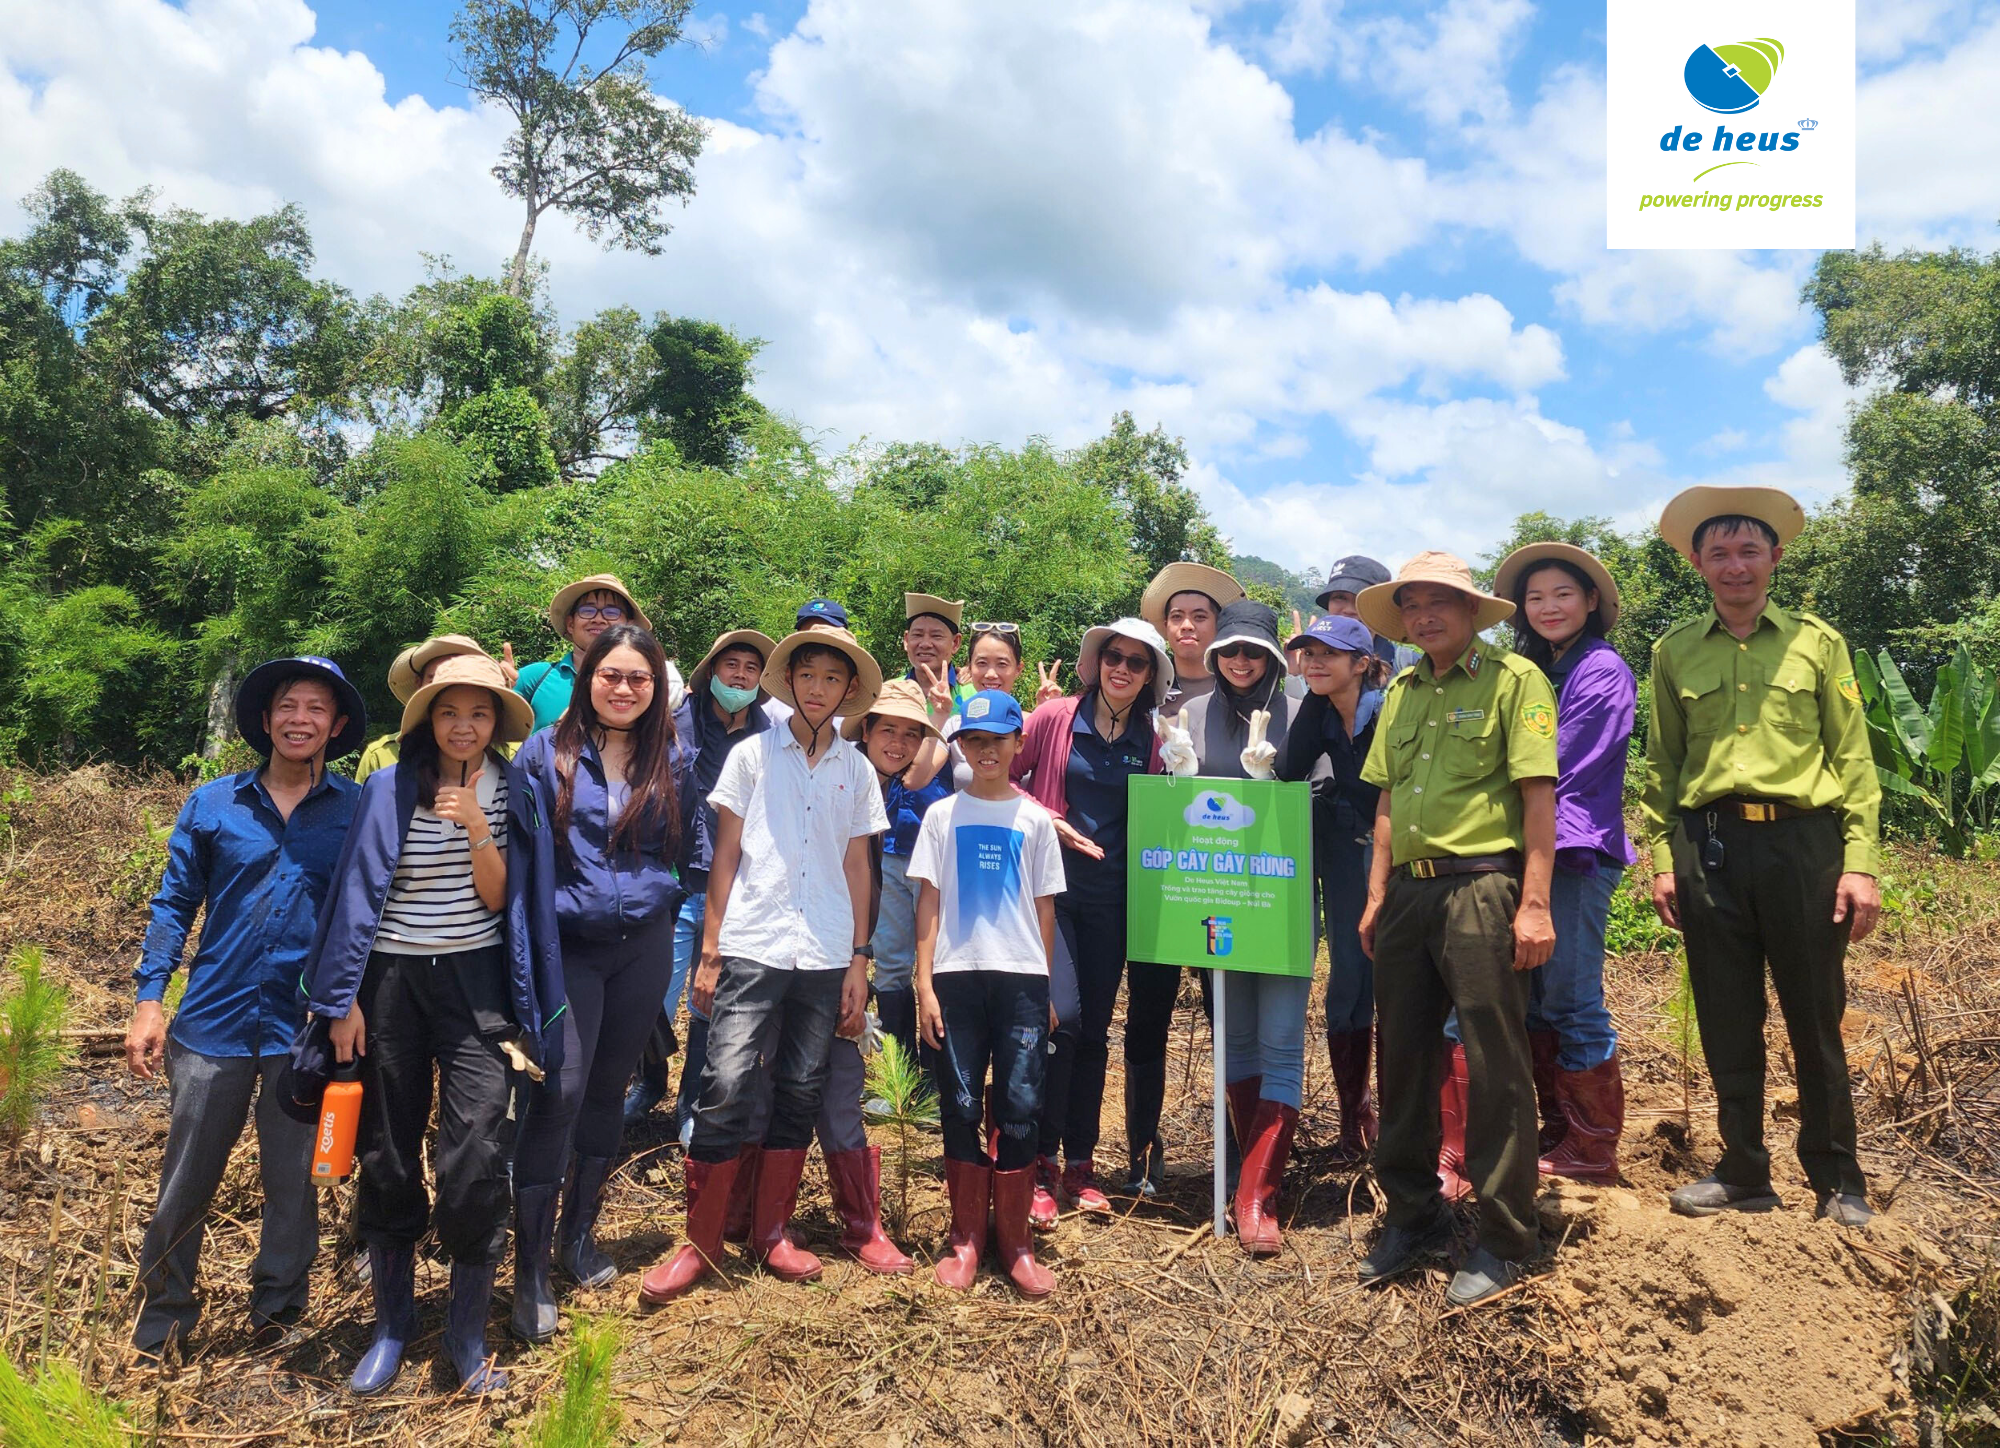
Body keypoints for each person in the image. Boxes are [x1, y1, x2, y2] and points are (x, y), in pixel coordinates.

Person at [302, 653, 559, 1395]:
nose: (464, 726)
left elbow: (500, 899)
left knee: (477, 1147)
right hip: (389, 981)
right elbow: (351, 898)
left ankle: (466, 1332)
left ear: (495, 724)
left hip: (475, 982)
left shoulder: (513, 787)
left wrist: (479, 824)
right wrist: (340, 1000)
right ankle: (391, 1327)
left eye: (479, 714)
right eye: (450, 712)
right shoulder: (385, 787)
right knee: (385, 1147)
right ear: (428, 717)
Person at [1642, 485, 1881, 1228]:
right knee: (1726, 1015)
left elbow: (1854, 756)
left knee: (1815, 1015)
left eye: (1749, 551)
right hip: (1709, 848)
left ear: (1774, 558)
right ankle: (1743, 1169)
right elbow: (1664, 767)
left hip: (1803, 847)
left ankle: (1838, 1177)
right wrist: (1660, 857)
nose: (1735, 565)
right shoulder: (1672, 651)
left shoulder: (1818, 642)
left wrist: (1860, 860)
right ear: (1697, 562)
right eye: (1720, 552)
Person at [638, 627, 889, 1302]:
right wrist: (711, 946)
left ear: (847, 692)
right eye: (806, 675)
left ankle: (771, 1231)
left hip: (827, 948)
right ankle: (701, 1242)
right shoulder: (751, 756)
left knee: (801, 1088)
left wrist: (860, 958)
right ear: (790, 682)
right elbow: (725, 856)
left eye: (831, 680)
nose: (817, 688)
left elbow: (859, 866)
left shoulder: (857, 769)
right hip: (753, 940)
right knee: (723, 1081)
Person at [126, 657, 365, 1360]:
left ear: (337, 726)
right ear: (265, 719)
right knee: (186, 1181)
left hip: (305, 1030)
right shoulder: (213, 804)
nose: (301, 720)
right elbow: (173, 905)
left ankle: (279, 1319)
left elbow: (367, 915)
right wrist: (148, 1000)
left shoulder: (354, 810)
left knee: (294, 1185)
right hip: (211, 1025)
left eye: (317, 709)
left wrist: (354, 1003)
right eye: (288, 706)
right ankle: (162, 1323)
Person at [1351, 552, 1558, 1310]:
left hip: (1483, 888)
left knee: (1495, 1063)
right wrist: (1376, 894)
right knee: (1401, 1056)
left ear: (1472, 610)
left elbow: (1540, 800)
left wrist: (1534, 905)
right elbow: (1385, 802)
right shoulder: (1400, 691)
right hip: (1408, 894)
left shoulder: (1514, 684)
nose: (1426, 615)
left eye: (1442, 601)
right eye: (1413, 605)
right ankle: (1411, 1212)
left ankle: (1507, 1236)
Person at [511, 623, 688, 1342]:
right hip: (568, 949)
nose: (623, 689)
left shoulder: (673, 754)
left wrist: (669, 898)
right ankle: (526, 1268)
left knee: (610, 1091)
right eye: (611, 676)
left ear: (656, 689)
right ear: (588, 679)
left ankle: (577, 1237)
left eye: (638, 679)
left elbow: (693, 842)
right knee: (558, 1091)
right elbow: (521, 859)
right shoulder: (544, 753)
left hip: (642, 948)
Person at [1011, 618, 1170, 1222]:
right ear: (1097, 661)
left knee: (1097, 1032)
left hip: (1116, 899)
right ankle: (1041, 1163)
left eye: (1136, 662)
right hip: (1053, 894)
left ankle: (1080, 1163)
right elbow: (997, 770)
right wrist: (1045, 817)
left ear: (1150, 675)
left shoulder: (1155, 737)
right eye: (1114, 657)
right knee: (1063, 1020)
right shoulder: (1056, 719)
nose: (1122, 668)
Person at [1489, 542, 1636, 1185]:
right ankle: (1560, 1129)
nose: (1548, 607)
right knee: (1537, 1002)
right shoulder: (1534, 667)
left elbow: (1559, 769)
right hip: (1532, 848)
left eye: (1563, 595)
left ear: (1592, 603)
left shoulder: (1601, 671)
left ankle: (1594, 1148)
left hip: (1573, 851)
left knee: (1574, 998)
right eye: (1535, 597)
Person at [914, 690, 1065, 1297]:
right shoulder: (941, 816)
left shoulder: (1033, 819)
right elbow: (928, 901)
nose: (985, 752)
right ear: (962, 749)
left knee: (1022, 1101)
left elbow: (1044, 907)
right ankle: (966, 1237)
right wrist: (923, 983)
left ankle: (1016, 1242)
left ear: (1018, 744)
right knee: (959, 1101)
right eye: (974, 742)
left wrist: (1045, 984)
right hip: (955, 976)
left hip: (1021, 979)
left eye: (997, 741)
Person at [1173, 600, 1310, 1254]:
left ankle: (1258, 1196)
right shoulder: (1190, 716)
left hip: (1280, 900)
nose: (1240, 662)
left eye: (1253, 652)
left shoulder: (1300, 709)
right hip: (1215, 900)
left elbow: (1320, 801)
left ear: (1273, 658)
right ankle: (1241, 1178)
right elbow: (1172, 817)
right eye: (1230, 651)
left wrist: (1271, 785)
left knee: (1281, 1038)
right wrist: (1174, 777)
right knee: (1237, 1036)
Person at [623, 629, 776, 1135]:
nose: (739, 675)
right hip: (674, 879)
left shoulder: (769, 737)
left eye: (751, 669)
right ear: (711, 672)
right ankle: (649, 1079)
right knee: (650, 1000)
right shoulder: (672, 723)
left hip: (735, 887)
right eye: (730, 664)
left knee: (710, 1002)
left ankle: (691, 1104)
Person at [1280, 615, 1386, 1165]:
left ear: (1362, 664)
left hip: (1403, 854)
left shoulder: (1388, 710)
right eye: (1307, 653)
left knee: (1400, 980)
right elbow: (1290, 772)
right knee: (1348, 971)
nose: (1314, 662)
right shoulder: (1319, 711)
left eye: (1329, 654)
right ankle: (1354, 1113)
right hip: (1349, 851)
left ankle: (1409, 1121)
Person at [850, 679, 952, 1070]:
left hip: (935, 859)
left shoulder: (962, 702)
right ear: (867, 730)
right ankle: (899, 1072)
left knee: (937, 963)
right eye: (888, 730)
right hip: (889, 859)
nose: (898, 741)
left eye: (911, 733)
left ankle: (932, 1075)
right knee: (891, 963)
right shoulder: (853, 774)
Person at [510, 574, 655, 732]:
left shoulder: (645, 685)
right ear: (570, 624)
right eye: (588, 610)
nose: (598, 619)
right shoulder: (535, 677)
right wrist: (496, 686)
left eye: (611, 612)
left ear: (629, 625)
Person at [354, 635, 488, 782]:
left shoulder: (507, 755)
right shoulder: (381, 756)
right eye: (435, 679)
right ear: (419, 685)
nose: (446, 688)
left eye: (459, 679)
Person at [1141, 561, 1245, 719]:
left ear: (1219, 625)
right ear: (1166, 626)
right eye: (1177, 617)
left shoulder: (1241, 690)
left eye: (1199, 617)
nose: (1187, 626)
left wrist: (1294, 676)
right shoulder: (1144, 688)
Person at [1317, 555, 1413, 674]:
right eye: (1340, 597)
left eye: (1361, 599)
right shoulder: (1313, 664)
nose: (1349, 610)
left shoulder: (1410, 666)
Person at [904, 592, 978, 709]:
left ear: (955, 643)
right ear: (906, 640)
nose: (925, 644)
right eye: (917, 635)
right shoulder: (888, 693)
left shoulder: (976, 696)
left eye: (936, 636)